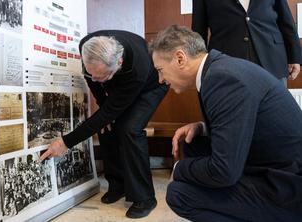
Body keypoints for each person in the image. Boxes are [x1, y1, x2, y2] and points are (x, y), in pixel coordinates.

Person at [149, 25, 302, 221]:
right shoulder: (220, 68)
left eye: (160, 70)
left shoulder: (221, 79)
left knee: (180, 194)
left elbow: (224, 172)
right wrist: (202, 126)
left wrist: (179, 168)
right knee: (194, 143)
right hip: (277, 167)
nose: (161, 79)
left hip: (288, 187)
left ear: (180, 58)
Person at [40, 30, 169, 218]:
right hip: (119, 82)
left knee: (129, 129)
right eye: (92, 73)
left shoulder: (137, 67)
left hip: (151, 86)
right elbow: (95, 84)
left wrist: (66, 142)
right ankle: (118, 185)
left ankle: (145, 197)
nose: (95, 80)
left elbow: (110, 111)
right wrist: (103, 106)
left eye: (102, 76)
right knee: (105, 127)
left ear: (119, 63)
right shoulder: (87, 47)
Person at [192, 0, 302, 83]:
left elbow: (286, 19)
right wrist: (199, 65)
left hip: (272, 60)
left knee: (276, 111)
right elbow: (198, 30)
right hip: (226, 64)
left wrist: (295, 57)